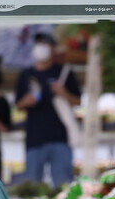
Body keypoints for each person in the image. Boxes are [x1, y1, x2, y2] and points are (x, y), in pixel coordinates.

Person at [15, 33, 81, 187]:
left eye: (45, 44)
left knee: (64, 185)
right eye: (38, 43)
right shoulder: (25, 74)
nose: (41, 47)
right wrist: (26, 101)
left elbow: (78, 100)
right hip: (34, 138)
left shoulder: (64, 72)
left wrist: (63, 92)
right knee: (32, 186)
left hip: (60, 138)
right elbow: (18, 105)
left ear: (53, 49)